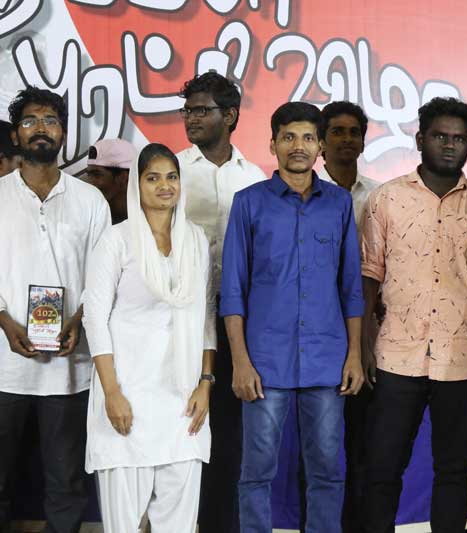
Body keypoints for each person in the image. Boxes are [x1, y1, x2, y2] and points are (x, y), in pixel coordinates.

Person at [221, 101, 364, 533]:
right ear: (273, 144)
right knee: (257, 471)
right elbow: (233, 289)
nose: (298, 146)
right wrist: (240, 361)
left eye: (307, 137)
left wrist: (355, 355)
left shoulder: (339, 205)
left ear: (320, 146)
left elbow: (351, 287)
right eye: (288, 137)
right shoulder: (248, 204)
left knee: (327, 471)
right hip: (265, 363)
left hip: (326, 360)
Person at [360, 97, 467, 533]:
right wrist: (363, 347)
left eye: (459, 139)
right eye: (440, 136)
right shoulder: (386, 199)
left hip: (463, 356)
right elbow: (369, 276)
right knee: (382, 467)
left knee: (453, 469)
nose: (449, 145)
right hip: (396, 354)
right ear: (419, 139)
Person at [82, 143, 216, 532]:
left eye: (171, 177)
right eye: (152, 178)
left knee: (179, 525)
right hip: (127, 397)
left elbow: (206, 316)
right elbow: (94, 319)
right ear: (136, 185)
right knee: (124, 525)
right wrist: (111, 392)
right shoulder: (116, 241)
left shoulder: (196, 240)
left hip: (183, 402)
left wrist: (205, 383)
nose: (164, 186)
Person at [0, 87, 111, 533]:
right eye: (30, 121)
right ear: (16, 135)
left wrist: (79, 320)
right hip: (4, 366)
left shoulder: (90, 200)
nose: (40, 128)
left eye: (50, 120)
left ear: (63, 132)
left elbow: (103, 278)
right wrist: (4, 320)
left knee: (66, 482)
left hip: (69, 367)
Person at [177, 71, 267, 533]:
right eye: (188, 110)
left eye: (201, 110)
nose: (191, 118)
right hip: (179, 318)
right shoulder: (170, 172)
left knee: (229, 432)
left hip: (236, 320)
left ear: (229, 115)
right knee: (180, 423)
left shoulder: (254, 178)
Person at [316, 100, 379, 533]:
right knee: (317, 453)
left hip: (367, 336)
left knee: (364, 449)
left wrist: (368, 341)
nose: (346, 139)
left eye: (354, 132)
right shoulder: (302, 192)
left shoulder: (379, 196)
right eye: (336, 131)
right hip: (317, 335)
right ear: (320, 142)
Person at [84, 138, 136, 224]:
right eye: (89, 174)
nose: (90, 182)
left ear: (123, 178)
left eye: (97, 175)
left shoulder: (148, 222)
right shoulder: (89, 219)